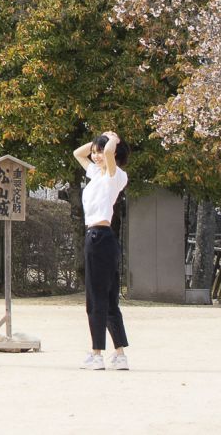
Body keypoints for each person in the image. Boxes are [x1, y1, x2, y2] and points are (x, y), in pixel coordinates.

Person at [74, 129, 132, 371]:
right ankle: (119, 355)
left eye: (100, 152)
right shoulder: (96, 174)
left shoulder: (115, 174)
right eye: (95, 152)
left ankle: (96, 353)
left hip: (99, 237)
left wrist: (112, 139)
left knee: (96, 299)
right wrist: (97, 141)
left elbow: (109, 153)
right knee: (107, 300)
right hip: (101, 238)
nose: (96, 156)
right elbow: (78, 153)